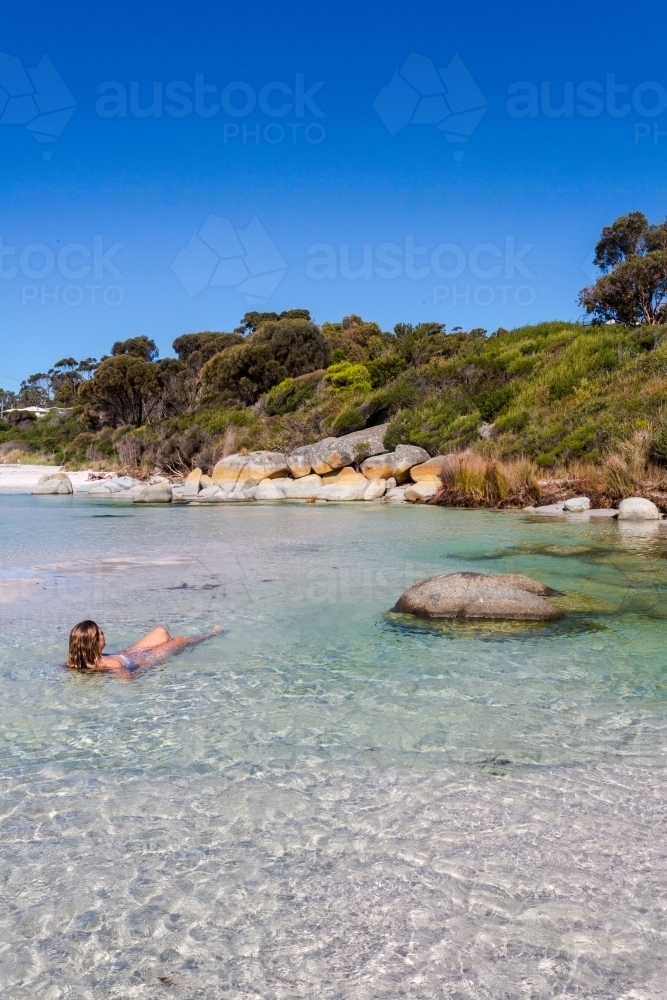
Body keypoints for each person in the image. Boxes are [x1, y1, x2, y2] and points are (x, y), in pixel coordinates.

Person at [66, 620, 220, 678]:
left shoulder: (74, 661)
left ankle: (170, 643)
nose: (103, 633)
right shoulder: (112, 664)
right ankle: (210, 635)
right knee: (179, 640)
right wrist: (146, 666)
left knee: (161, 631)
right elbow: (128, 679)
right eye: (100, 633)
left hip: (128, 653)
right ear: (93, 642)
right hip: (146, 658)